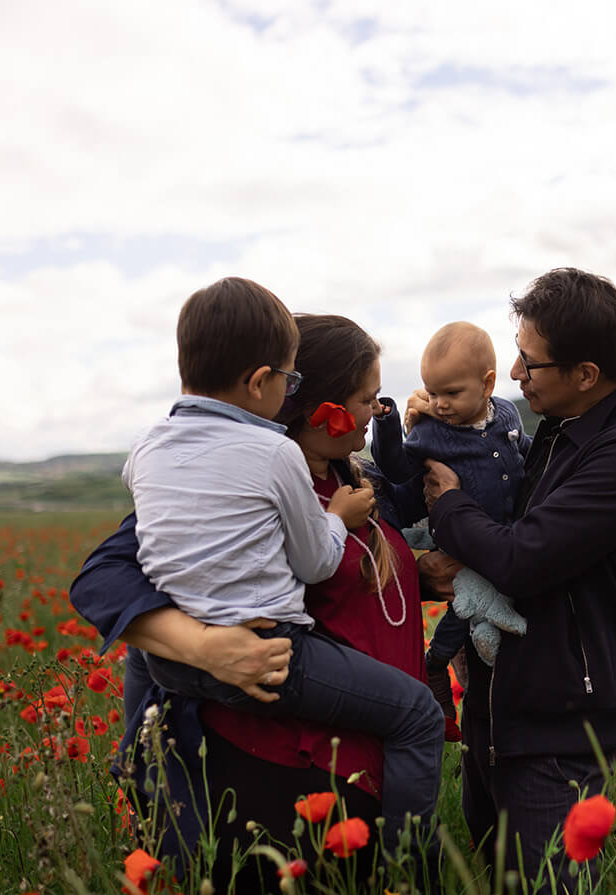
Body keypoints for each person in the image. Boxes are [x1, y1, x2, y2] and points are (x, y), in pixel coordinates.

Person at [70, 312, 444, 893]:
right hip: (284, 768)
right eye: (366, 400)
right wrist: (202, 645)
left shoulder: (352, 476)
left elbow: (344, 571)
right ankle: (140, 771)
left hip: (371, 759)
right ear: (307, 401)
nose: (376, 415)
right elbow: (105, 575)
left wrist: (420, 576)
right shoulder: (236, 483)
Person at [419, 268, 616, 891]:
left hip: (558, 725)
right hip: (502, 708)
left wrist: (448, 503)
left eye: (529, 364)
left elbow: (521, 558)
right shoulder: (556, 433)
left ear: (585, 374)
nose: (512, 375)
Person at [123, 277, 372, 713]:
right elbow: (315, 564)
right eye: (289, 380)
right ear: (259, 382)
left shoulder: (146, 445)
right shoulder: (276, 453)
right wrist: (336, 518)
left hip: (170, 657)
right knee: (417, 715)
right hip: (264, 647)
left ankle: (144, 779)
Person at [368, 322, 532, 736]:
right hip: (463, 544)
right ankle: (436, 665)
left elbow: (523, 451)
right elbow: (396, 468)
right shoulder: (430, 432)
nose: (439, 403)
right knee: (465, 607)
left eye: (451, 394)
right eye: (432, 392)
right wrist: (387, 426)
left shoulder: (507, 413)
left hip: (505, 539)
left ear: (488, 383)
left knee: (491, 606)